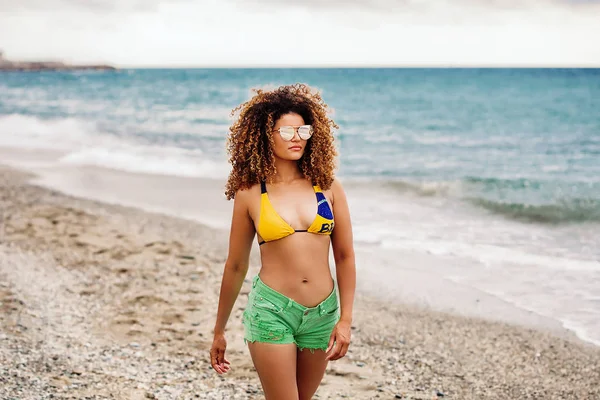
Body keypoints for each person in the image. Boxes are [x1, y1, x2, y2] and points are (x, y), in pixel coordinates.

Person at [210, 83, 356, 400]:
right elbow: (236, 264)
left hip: (322, 313)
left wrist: (345, 320)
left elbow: (344, 257)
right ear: (266, 134)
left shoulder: (328, 186)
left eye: (302, 130)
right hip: (272, 310)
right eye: (286, 131)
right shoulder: (250, 192)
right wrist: (219, 329)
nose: (296, 138)